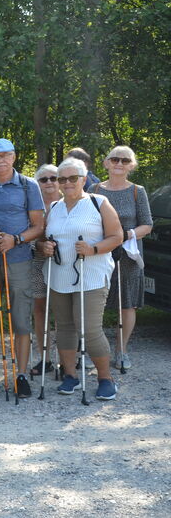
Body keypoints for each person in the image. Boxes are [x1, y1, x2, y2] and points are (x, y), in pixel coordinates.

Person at [37, 157, 123, 400]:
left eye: (72, 178)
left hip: (92, 275)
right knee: (63, 327)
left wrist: (93, 249)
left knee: (90, 328)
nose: (66, 183)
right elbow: (43, 239)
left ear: (84, 180)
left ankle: (106, 378)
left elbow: (116, 236)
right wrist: (44, 247)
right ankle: (70, 375)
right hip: (58, 275)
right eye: (61, 179)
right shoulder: (54, 207)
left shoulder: (99, 202)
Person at [0, 138, 44, 399]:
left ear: (13, 157)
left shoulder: (28, 185)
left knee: (21, 318)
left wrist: (17, 239)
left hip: (19, 260)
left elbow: (38, 226)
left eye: (4, 155)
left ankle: (20, 375)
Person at [91, 146, 153, 370]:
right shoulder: (94, 189)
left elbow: (147, 224)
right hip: (99, 253)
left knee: (127, 304)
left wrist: (125, 235)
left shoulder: (138, 191)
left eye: (125, 160)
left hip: (128, 254)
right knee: (95, 301)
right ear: (106, 163)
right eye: (115, 159)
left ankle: (122, 350)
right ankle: (98, 350)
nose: (119, 163)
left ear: (131, 166)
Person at [29, 164, 62, 376]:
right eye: (43, 179)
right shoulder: (33, 205)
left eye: (53, 178)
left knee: (64, 311)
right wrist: (39, 246)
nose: (49, 182)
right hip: (37, 261)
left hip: (65, 263)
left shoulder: (70, 202)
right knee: (39, 308)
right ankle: (45, 358)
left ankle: (67, 357)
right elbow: (27, 234)